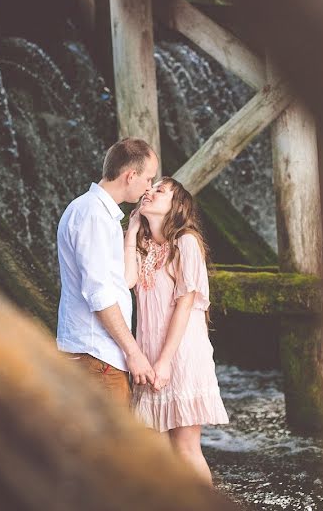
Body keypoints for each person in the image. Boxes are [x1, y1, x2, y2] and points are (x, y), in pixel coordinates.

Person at [124, 177, 229, 484]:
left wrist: (166, 361)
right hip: (148, 353)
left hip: (180, 356)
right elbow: (127, 281)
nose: (149, 192)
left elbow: (185, 305)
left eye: (160, 191)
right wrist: (131, 231)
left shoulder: (186, 243)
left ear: (175, 207)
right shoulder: (142, 246)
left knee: (185, 448)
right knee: (154, 452)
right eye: (151, 187)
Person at [56, 138, 159, 406]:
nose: (149, 188)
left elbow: (120, 283)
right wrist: (133, 352)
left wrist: (133, 231)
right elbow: (99, 294)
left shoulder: (101, 215)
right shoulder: (93, 216)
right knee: (110, 447)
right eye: (148, 179)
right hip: (97, 356)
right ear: (130, 175)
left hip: (99, 355)